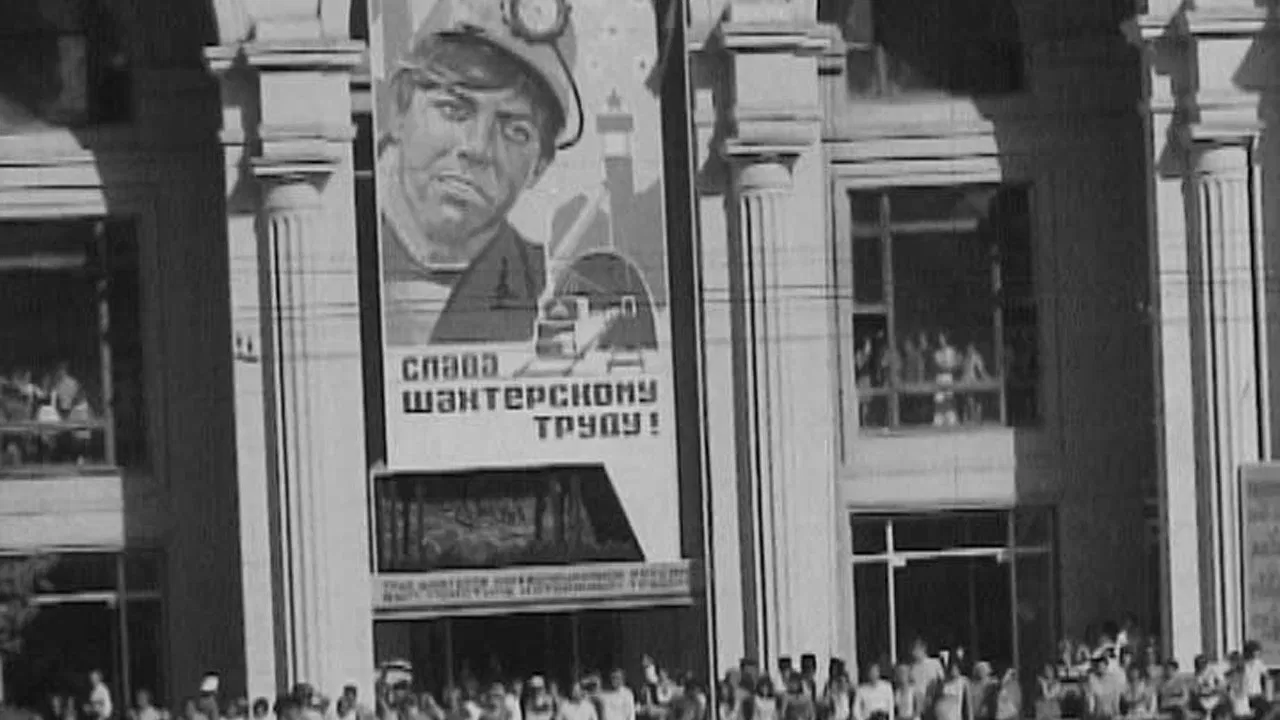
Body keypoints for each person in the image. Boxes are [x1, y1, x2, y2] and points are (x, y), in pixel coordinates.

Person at [378, 0, 657, 350]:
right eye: (454, 109)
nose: (477, 148)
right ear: (399, 110)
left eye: (515, 131)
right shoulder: (337, 232)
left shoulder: (543, 289)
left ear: (539, 165)